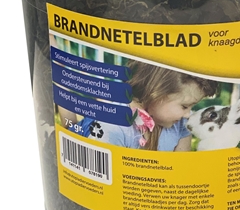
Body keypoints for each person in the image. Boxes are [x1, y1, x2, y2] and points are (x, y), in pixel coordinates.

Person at [58, 60, 219, 151]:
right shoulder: (113, 128)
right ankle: (60, 74)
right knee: (71, 130)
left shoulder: (180, 125)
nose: (188, 114)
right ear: (157, 92)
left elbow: (179, 172)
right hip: (89, 136)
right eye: (184, 106)